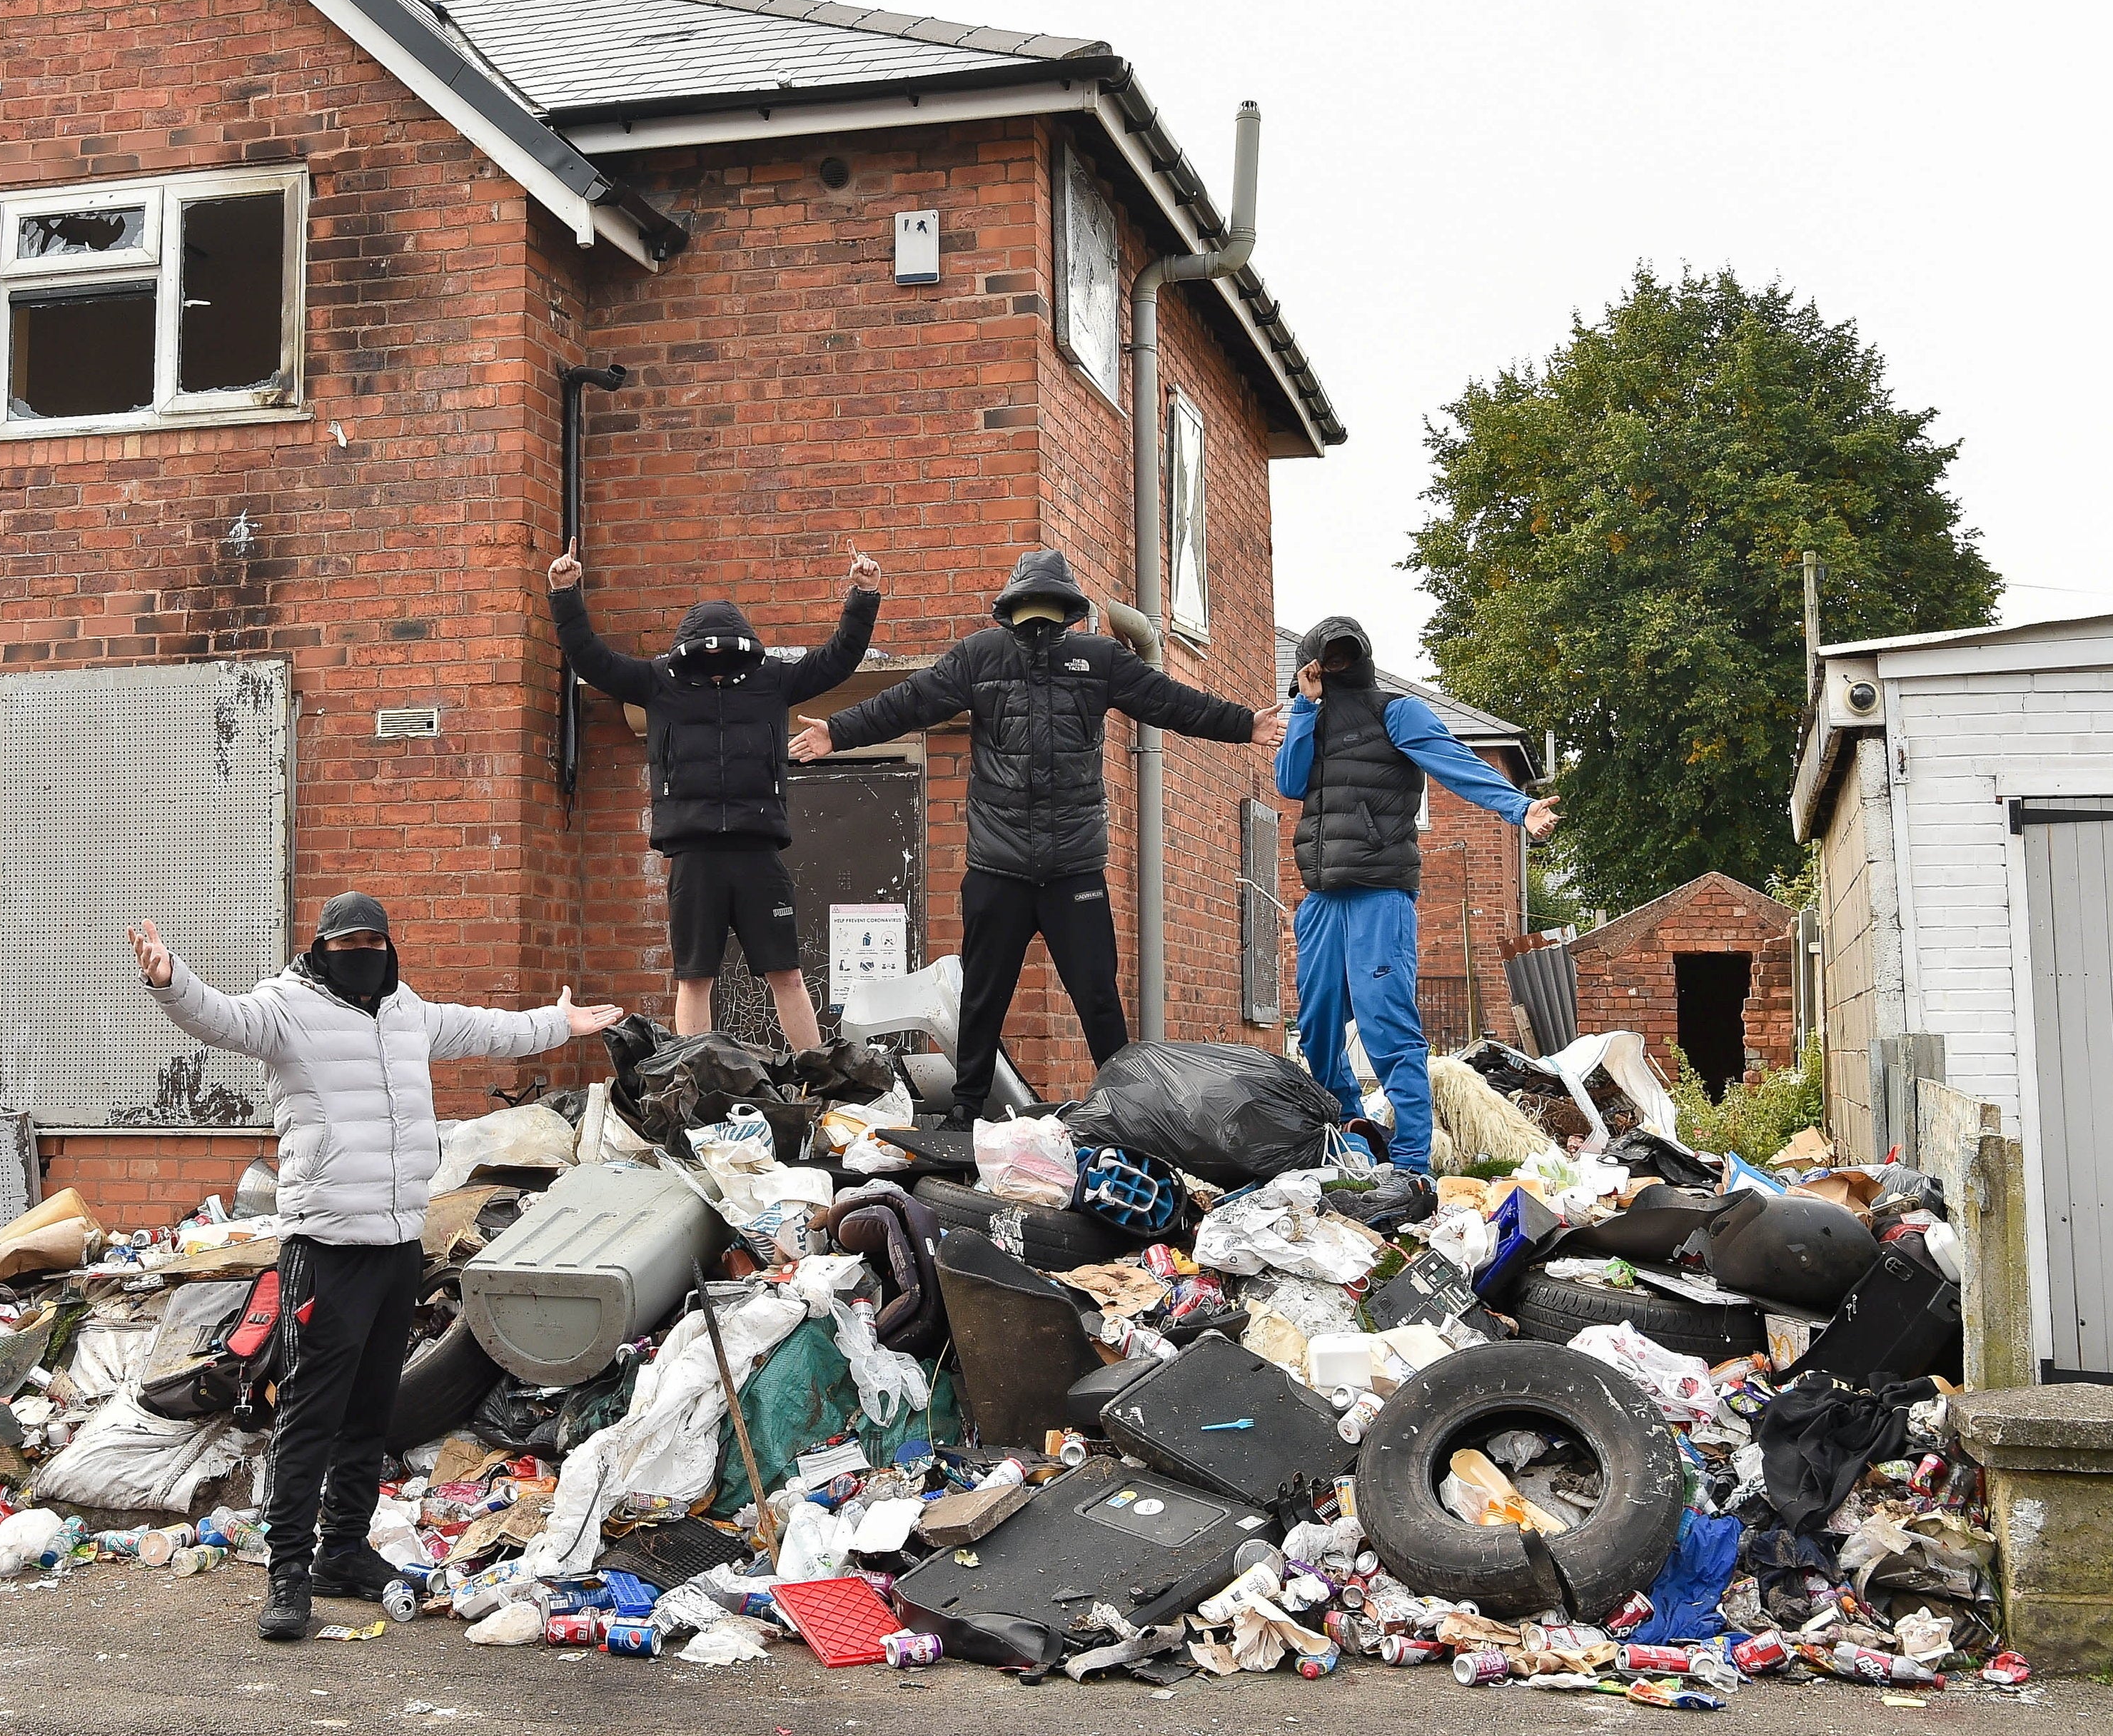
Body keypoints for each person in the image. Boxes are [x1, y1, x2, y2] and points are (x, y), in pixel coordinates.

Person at [124, 894, 620, 1642]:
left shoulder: (406, 1010)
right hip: (324, 1251)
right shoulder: (288, 1007)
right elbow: (219, 1016)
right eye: (348, 940)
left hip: (396, 1248)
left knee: (370, 1414)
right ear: (323, 948)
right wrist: (169, 979)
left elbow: (483, 1027)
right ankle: (289, 1570)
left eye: (374, 939)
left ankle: (345, 1552)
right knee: (310, 1416)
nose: (363, 951)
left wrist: (560, 1024)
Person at [791, 547, 1274, 1116]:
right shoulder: (981, 657)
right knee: (983, 1000)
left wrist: (1244, 724)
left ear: (1066, 611)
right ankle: (967, 1108)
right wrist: (837, 732)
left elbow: (1170, 702)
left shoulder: (1098, 660)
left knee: (1098, 998)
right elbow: (909, 702)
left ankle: (1129, 1110)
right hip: (999, 867)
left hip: (1073, 869)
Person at [550, 538, 880, 1051]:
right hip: (695, 853)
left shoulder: (771, 680)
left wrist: (863, 594)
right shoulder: (660, 682)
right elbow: (592, 659)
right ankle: (698, 1080)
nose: (719, 664)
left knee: (787, 974)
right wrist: (565, 592)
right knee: (694, 979)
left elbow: (839, 659)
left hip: (758, 850)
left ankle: (817, 1080)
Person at [1274, 617, 1559, 1165]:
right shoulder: (1312, 718)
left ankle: (1411, 1161)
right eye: (1323, 659)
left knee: (1387, 1025)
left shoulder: (1396, 712)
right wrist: (1304, 708)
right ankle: (1352, 1141)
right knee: (1317, 1030)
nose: (1332, 667)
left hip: (1381, 894)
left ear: (1358, 658)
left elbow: (1454, 762)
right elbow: (1288, 782)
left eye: (1341, 657)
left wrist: (1520, 808)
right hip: (1322, 900)